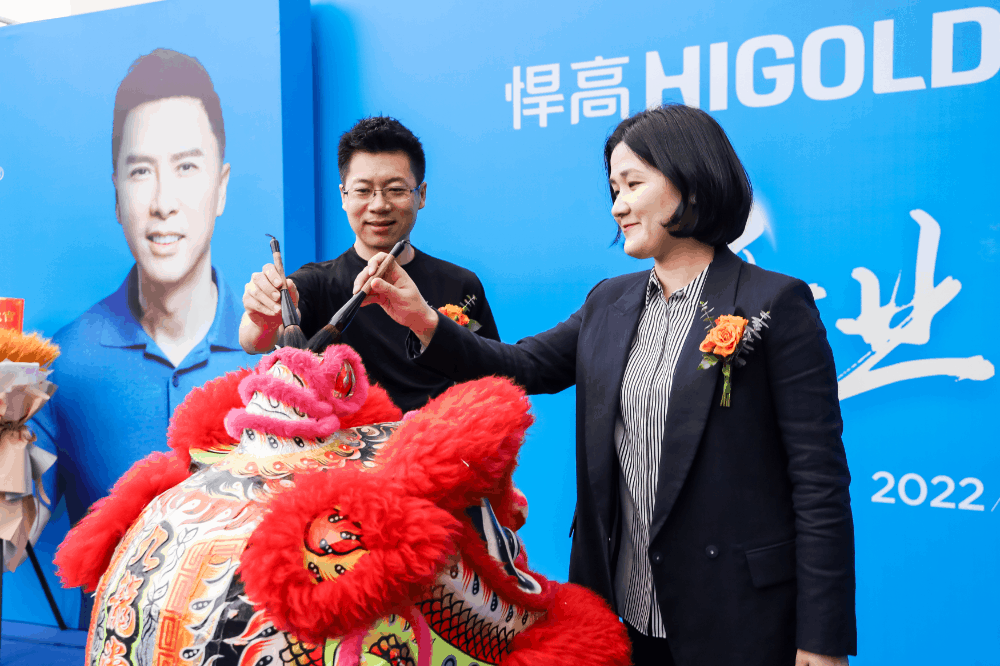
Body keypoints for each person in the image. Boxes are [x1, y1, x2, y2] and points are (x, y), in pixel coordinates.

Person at [353, 105, 856, 666]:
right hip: (623, 611)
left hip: (736, 615)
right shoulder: (608, 302)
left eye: (633, 185)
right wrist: (424, 321)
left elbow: (818, 483)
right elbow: (522, 366)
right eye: (614, 188)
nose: (617, 205)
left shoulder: (774, 304)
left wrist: (822, 639)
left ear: (690, 182)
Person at [32, 48, 252, 556]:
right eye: (140, 172)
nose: (162, 203)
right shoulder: (62, 363)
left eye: (186, 166)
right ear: (116, 195)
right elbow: (11, 532)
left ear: (220, 187)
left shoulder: (279, 357)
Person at [239, 116, 500, 413]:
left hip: (439, 438)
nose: (379, 205)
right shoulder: (316, 283)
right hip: (344, 441)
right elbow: (254, 340)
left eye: (396, 189)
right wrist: (262, 318)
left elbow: (492, 380)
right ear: (343, 196)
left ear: (421, 195)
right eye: (363, 191)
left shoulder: (461, 284)